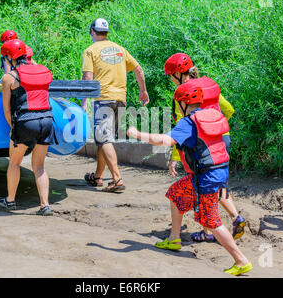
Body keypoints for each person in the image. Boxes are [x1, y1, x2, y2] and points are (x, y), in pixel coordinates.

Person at [127, 81, 252, 276]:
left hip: (206, 179)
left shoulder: (188, 122)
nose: (178, 107)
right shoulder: (211, 114)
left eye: (178, 104)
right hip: (218, 172)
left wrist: (138, 134)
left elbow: (165, 141)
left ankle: (241, 260)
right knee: (176, 193)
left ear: (184, 103)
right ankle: (174, 238)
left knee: (211, 221)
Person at [164, 53, 246, 242]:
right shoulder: (209, 85)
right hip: (222, 138)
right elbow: (229, 109)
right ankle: (234, 218)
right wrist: (216, 126)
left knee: (202, 184)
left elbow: (182, 131)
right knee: (217, 184)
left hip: (202, 145)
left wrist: (175, 158)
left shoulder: (184, 94)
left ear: (178, 73)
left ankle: (210, 230)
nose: (170, 80)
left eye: (170, 75)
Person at [81, 18, 149, 192]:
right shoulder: (120, 49)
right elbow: (138, 69)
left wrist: (84, 101)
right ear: (107, 33)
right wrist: (143, 91)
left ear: (92, 32)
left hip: (103, 98)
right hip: (120, 99)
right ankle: (98, 177)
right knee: (104, 140)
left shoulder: (90, 51)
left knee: (104, 139)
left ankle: (117, 179)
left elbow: (88, 77)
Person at [0, 39, 55, 216]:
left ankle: (10, 201)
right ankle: (45, 205)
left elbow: (7, 110)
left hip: (25, 121)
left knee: (14, 163)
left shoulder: (9, 78)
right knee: (39, 166)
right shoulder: (44, 70)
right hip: (47, 120)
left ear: (8, 57)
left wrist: (13, 128)